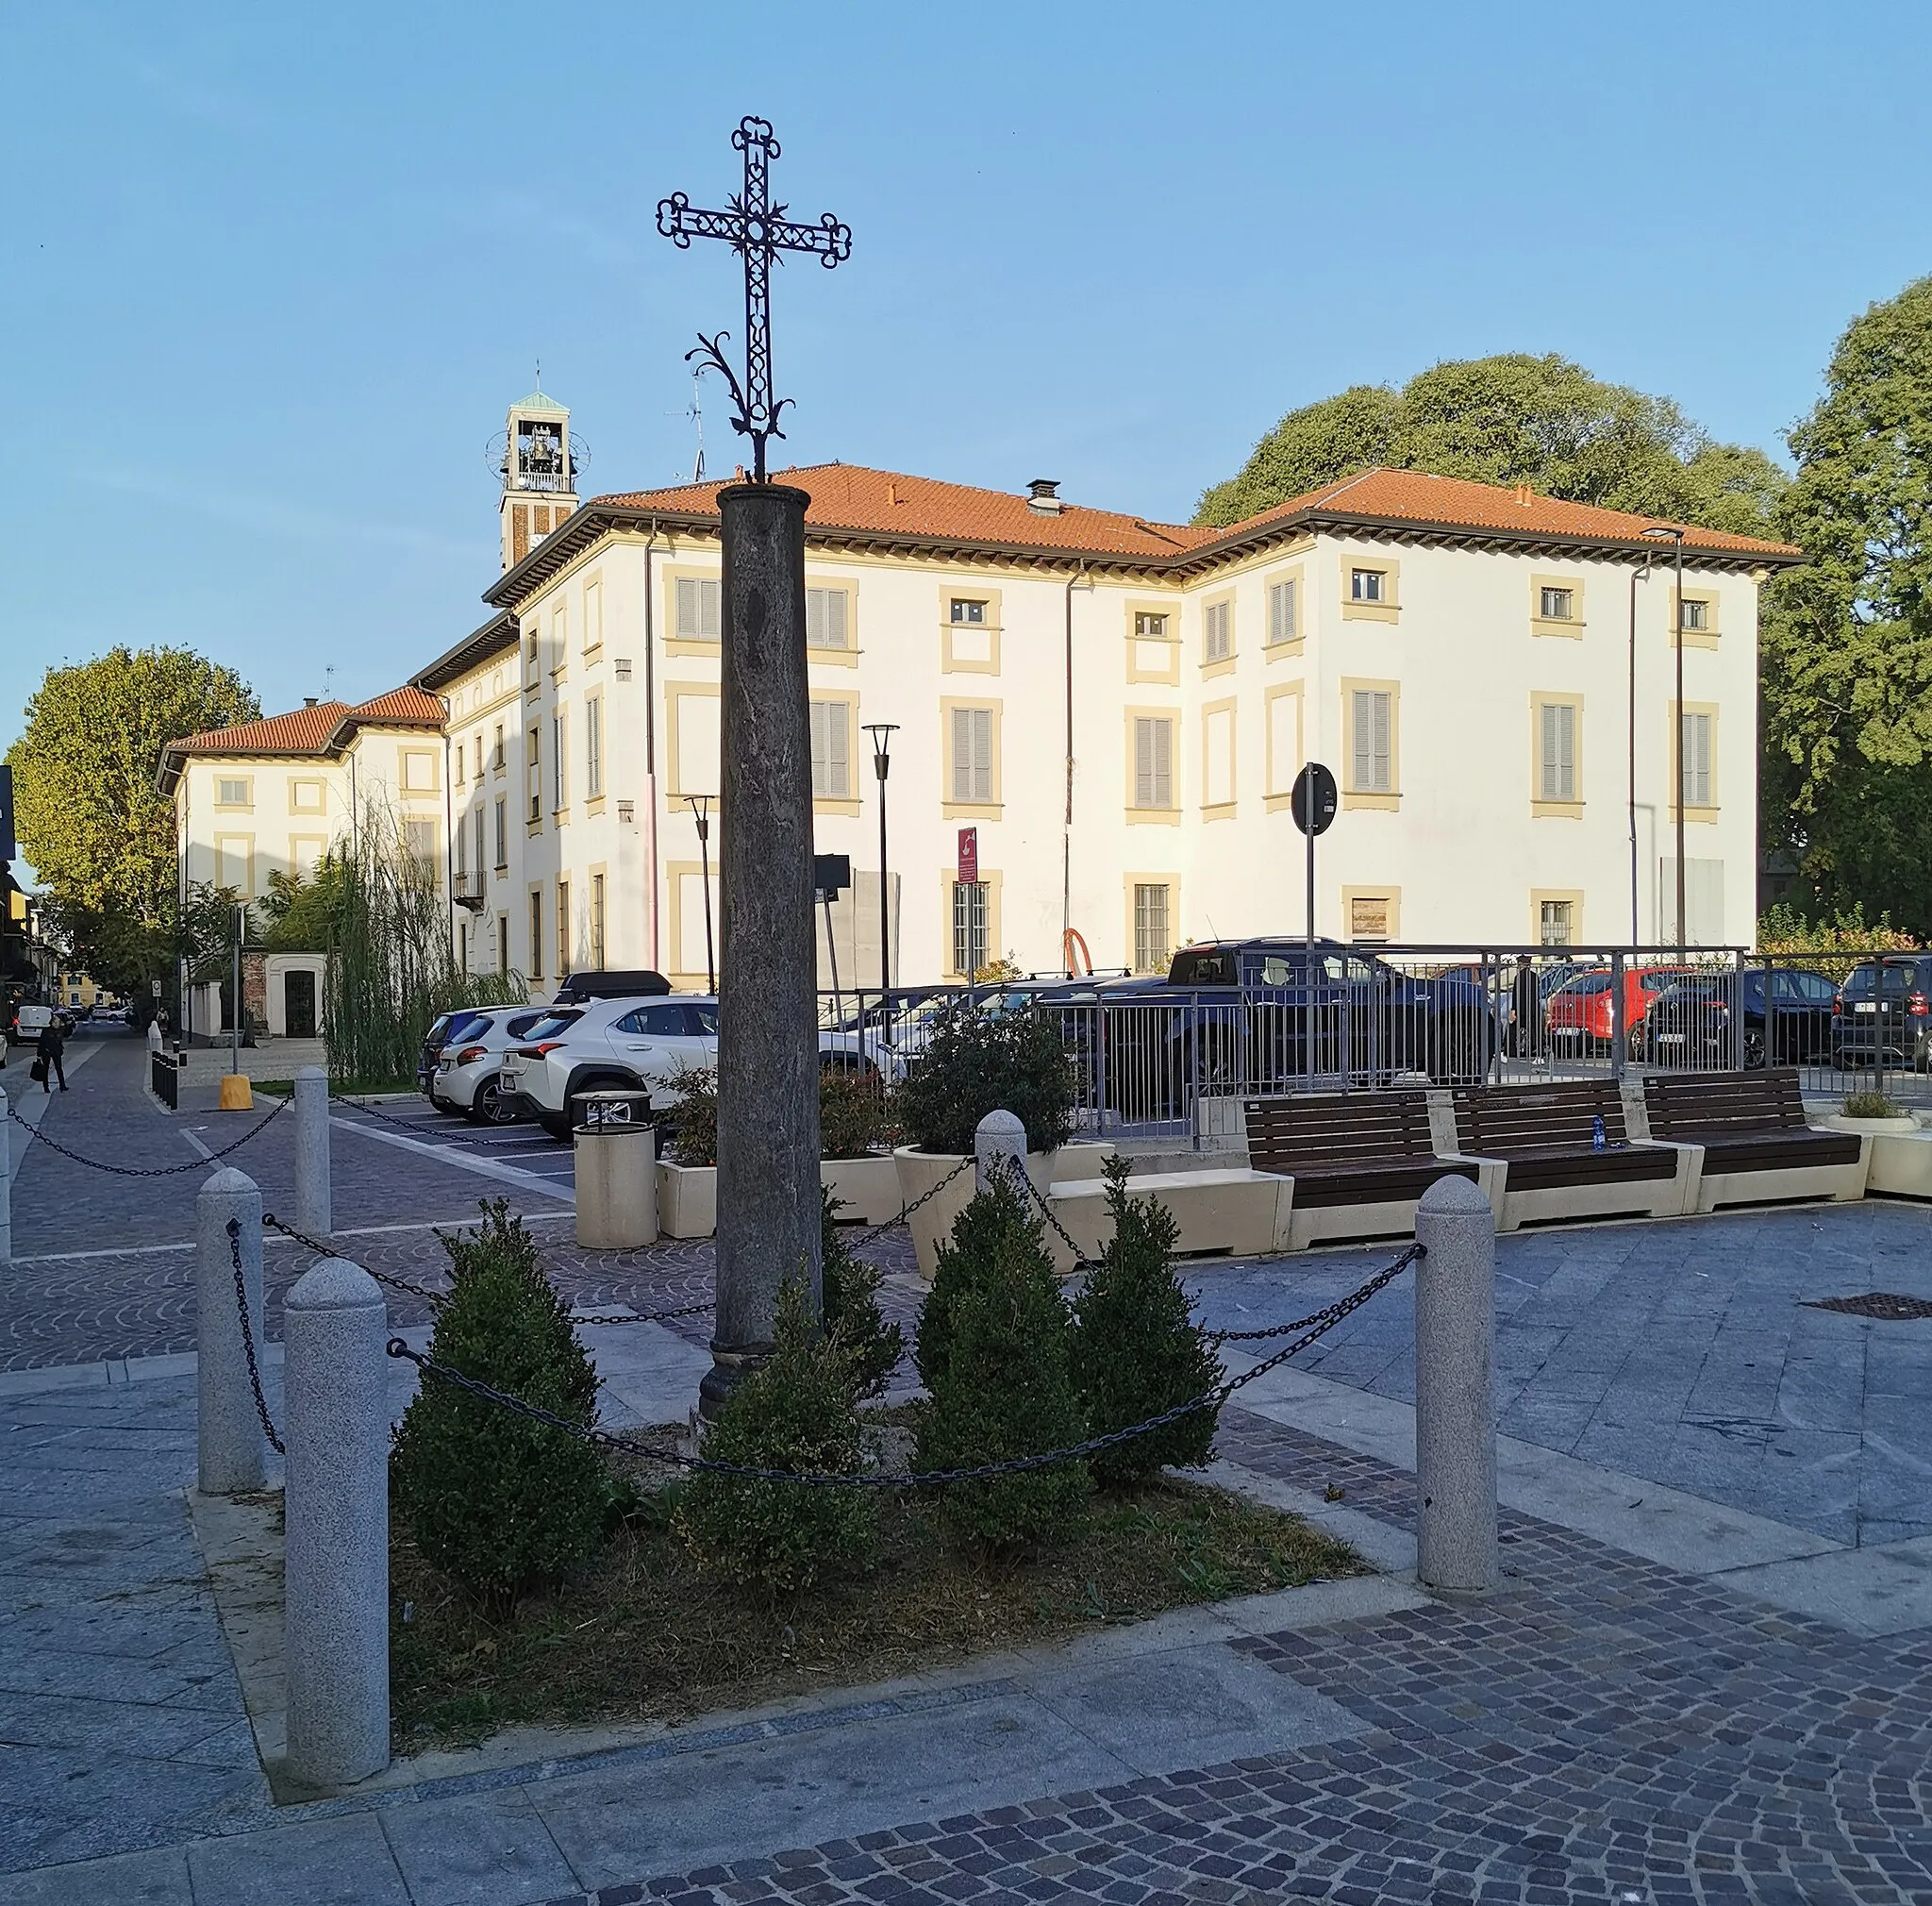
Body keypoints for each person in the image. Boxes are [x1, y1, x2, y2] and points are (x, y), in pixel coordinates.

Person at [1510, 955, 1543, 1060]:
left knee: (1513, 1029)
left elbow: (1516, 995)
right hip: (1533, 1008)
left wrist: (1513, 1009)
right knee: (1535, 1031)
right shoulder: (1534, 976)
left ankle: (1510, 1050)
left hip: (1521, 1009)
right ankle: (1539, 1052)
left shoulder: (1518, 977)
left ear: (1520, 964)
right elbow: (1537, 993)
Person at [36, 1017, 68, 1093]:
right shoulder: (46, 1031)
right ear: (52, 1022)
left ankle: (62, 1086)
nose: (57, 1024)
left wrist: (64, 1026)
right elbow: (41, 1042)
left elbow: (65, 1035)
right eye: (56, 1022)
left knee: (59, 1068)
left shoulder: (60, 1030)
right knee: (45, 1069)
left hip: (56, 1051)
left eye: (58, 1022)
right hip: (46, 1051)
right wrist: (39, 1054)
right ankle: (46, 1087)